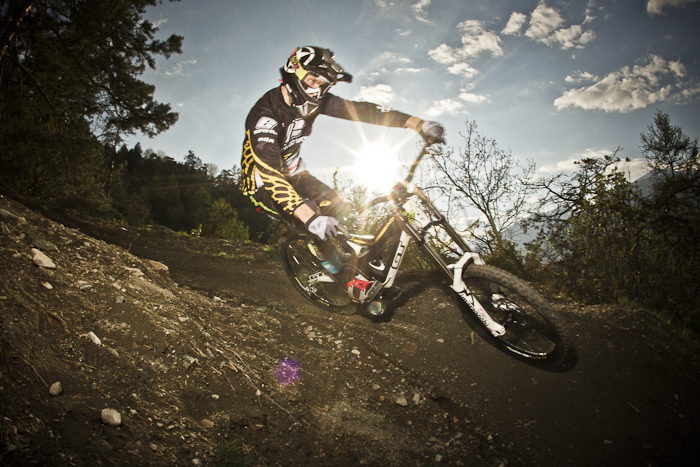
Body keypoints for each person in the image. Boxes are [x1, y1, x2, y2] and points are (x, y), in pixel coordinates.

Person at [240, 45, 444, 315]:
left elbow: (361, 110)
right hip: (263, 185)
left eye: (323, 85)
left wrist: (416, 123)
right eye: (312, 81)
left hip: (297, 173)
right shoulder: (264, 117)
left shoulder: (314, 100)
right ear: (293, 72)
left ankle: (353, 261)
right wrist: (311, 219)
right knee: (313, 221)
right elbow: (271, 175)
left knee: (339, 206)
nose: (317, 91)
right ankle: (347, 282)